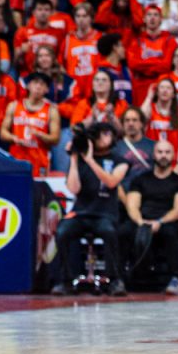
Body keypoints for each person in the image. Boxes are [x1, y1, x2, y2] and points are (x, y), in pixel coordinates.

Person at [53, 122, 128, 295]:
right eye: (101, 134)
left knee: (109, 232)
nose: (104, 137)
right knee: (62, 231)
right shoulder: (80, 159)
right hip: (81, 212)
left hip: (105, 213)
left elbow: (111, 182)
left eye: (108, 134)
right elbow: (73, 189)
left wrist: (91, 161)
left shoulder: (119, 160)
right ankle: (65, 280)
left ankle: (114, 280)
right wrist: (73, 158)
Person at [121, 140, 178, 295]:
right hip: (141, 220)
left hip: (167, 221)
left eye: (167, 152)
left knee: (171, 234)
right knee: (123, 231)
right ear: (154, 154)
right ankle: (118, 279)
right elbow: (132, 205)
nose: (163, 156)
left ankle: (175, 278)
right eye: (160, 152)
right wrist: (141, 222)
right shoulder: (140, 179)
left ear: (173, 155)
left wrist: (159, 222)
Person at [0, 72, 61, 176]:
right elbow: (3, 132)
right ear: (28, 85)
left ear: (46, 89)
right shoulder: (14, 106)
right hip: (17, 159)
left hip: (39, 161)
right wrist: (14, 138)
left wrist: (40, 134)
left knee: (38, 191)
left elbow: (55, 139)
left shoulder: (51, 111)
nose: (38, 87)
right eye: (35, 83)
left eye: (42, 85)